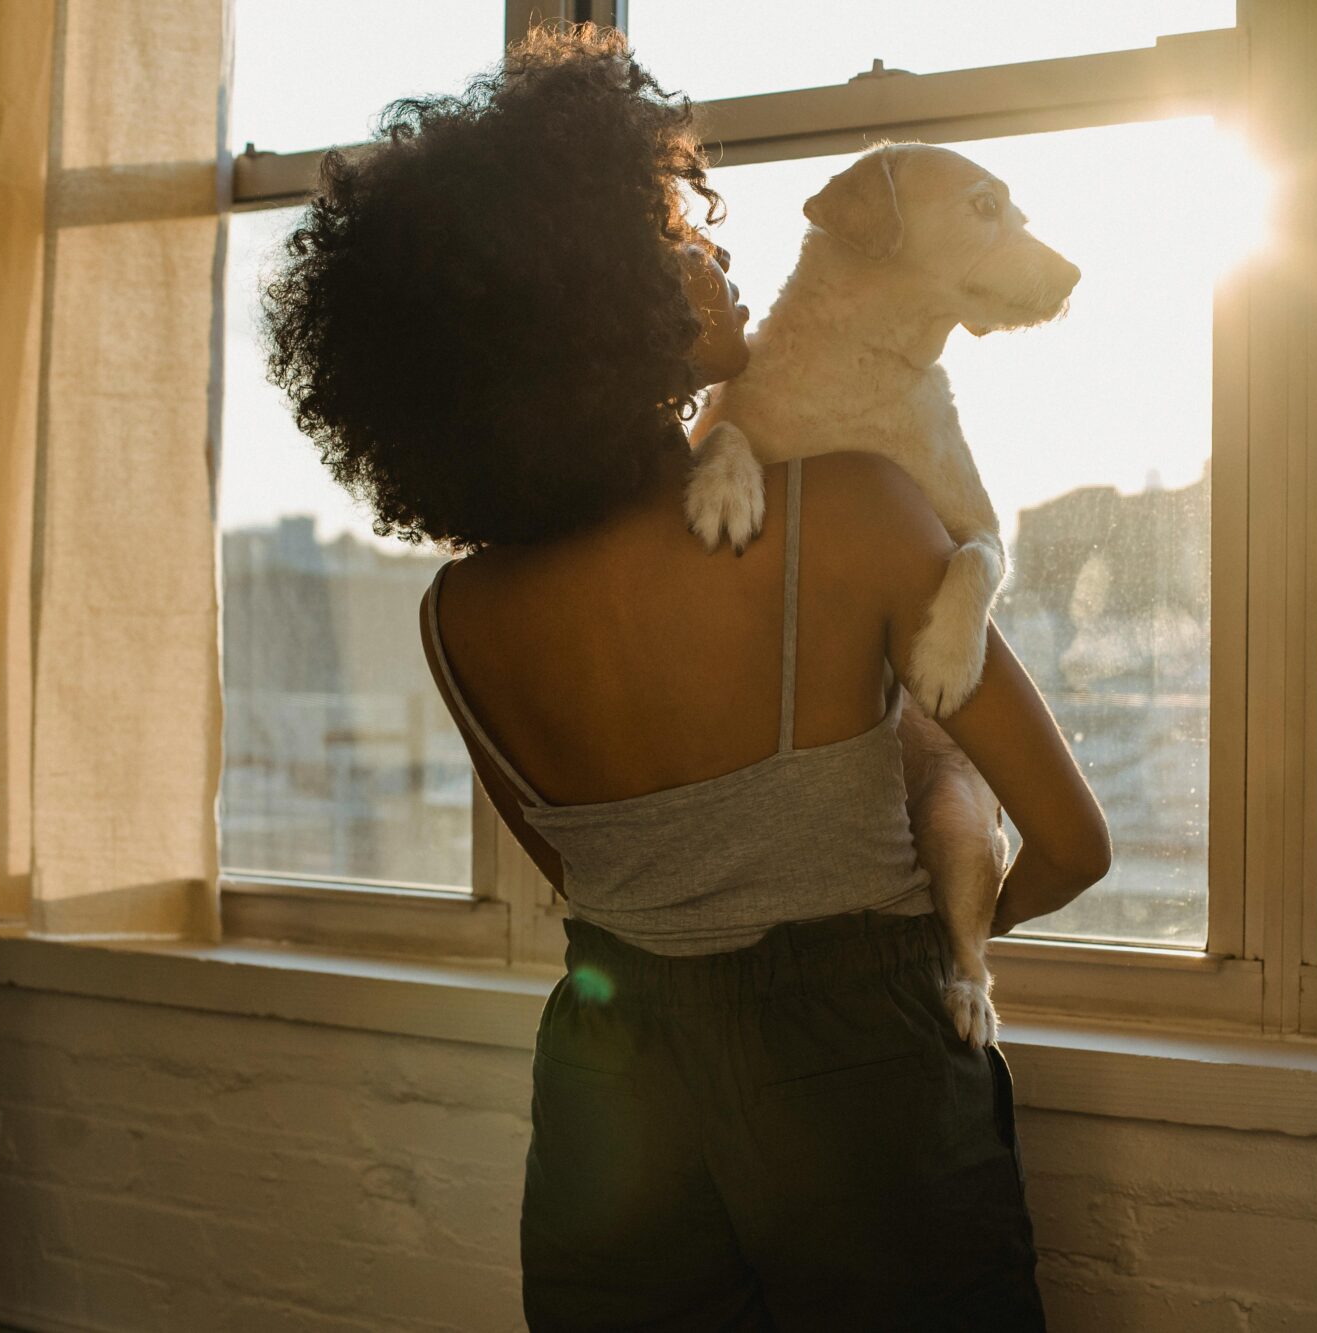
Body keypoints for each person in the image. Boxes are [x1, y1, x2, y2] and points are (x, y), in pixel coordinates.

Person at [260, 22, 1110, 1332]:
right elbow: (1073, 844)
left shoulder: (458, 616)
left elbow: (599, 880)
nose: (716, 251)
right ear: (588, 305)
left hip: (609, 1087)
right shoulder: (861, 513)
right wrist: (922, 943)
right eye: (674, 235)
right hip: (862, 1077)